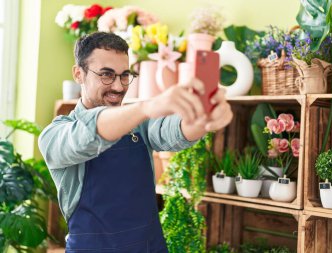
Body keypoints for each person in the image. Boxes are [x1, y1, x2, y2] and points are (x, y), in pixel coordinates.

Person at [38, 32, 233, 253]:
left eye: (124, 76)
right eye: (106, 75)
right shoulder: (55, 134)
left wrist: (204, 120)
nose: (119, 87)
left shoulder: (139, 124)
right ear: (78, 74)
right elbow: (87, 135)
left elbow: (173, 131)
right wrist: (146, 107)